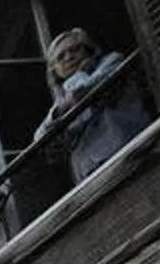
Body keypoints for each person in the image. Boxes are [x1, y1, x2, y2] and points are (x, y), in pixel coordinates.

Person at [44, 27, 152, 183]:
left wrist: (78, 78)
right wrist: (63, 106)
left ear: (88, 49)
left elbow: (82, 93)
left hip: (132, 154)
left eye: (74, 49)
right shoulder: (60, 102)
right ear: (55, 70)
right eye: (61, 57)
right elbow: (42, 136)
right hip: (93, 177)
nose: (69, 57)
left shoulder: (112, 61)